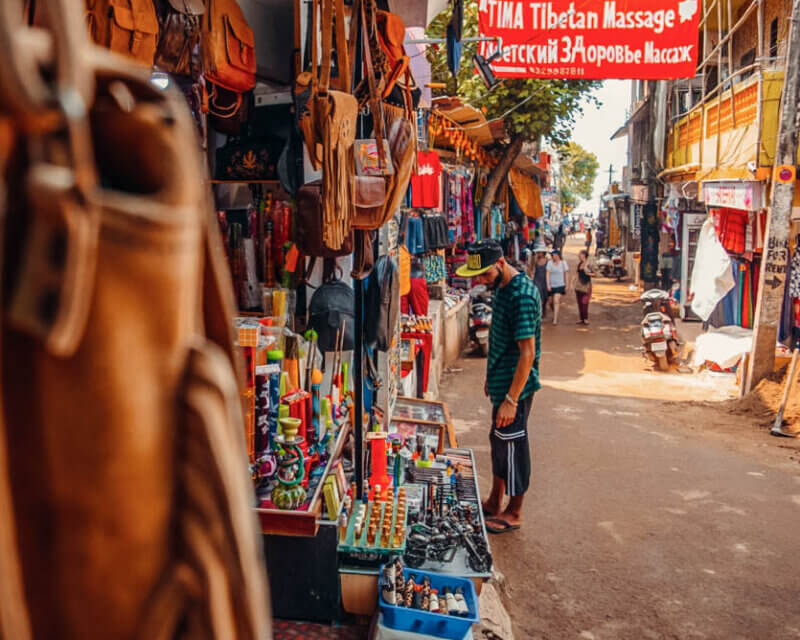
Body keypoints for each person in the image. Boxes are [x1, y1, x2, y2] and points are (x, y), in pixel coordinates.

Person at [455, 241, 541, 534]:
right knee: (499, 442)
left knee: (514, 446)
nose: (481, 281)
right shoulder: (503, 289)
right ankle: (494, 500)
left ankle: (514, 511)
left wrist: (511, 399)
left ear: (502, 263)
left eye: (485, 275)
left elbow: (527, 353)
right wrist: (492, 378)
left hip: (515, 389)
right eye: (477, 276)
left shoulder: (522, 296)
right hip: (502, 382)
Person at [546, 250, 569, 325]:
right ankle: (555, 311)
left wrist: (567, 285)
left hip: (560, 285)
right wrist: (548, 284)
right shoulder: (549, 263)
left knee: (556, 300)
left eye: (554, 255)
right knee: (550, 302)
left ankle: (555, 319)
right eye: (552, 255)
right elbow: (548, 274)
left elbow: (566, 274)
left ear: (558, 255)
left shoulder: (563, 263)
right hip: (551, 285)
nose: (552, 256)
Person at [575, 249, 594, 325]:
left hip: (586, 285)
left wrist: (587, 273)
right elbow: (576, 274)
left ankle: (585, 319)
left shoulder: (588, 264)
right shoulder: (580, 264)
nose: (579, 255)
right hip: (579, 285)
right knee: (579, 303)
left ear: (583, 255)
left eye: (580, 254)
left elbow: (595, 274)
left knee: (584, 302)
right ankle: (581, 319)